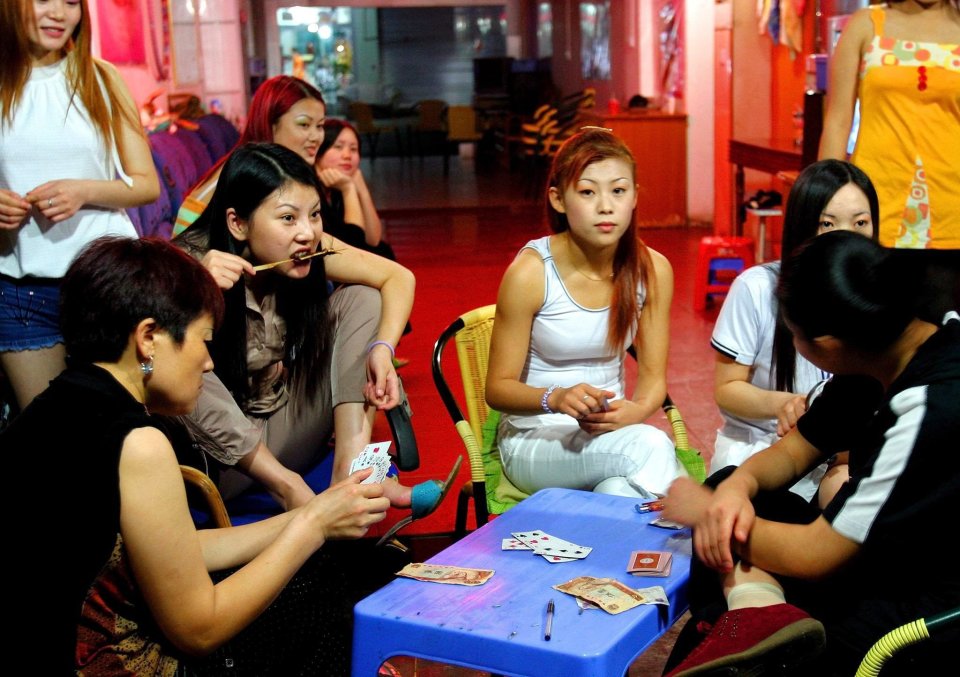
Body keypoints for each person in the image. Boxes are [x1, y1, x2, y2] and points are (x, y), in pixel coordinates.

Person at [1, 236, 390, 674]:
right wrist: (313, 526)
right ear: (149, 338)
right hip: (104, 664)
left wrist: (316, 513)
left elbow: (176, 550)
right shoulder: (138, 443)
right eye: (204, 340)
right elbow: (198, 630)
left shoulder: (53, 407)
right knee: (316, 590)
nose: (208, 363)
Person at [662, 231, 960, 675]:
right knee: (733, 488)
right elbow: (794, 452)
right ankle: (754, 612)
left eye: (794, 334)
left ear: (828, 343)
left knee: (718, 598)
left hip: (925, 612)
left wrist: (706, 512)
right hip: (881, 553)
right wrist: (734, 489)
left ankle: (751, 615)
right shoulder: (883, 345)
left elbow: (817, 555)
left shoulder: (930, 406)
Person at [175, 143, 446, 518]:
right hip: (221, 462)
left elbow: (397, 277)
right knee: (179, 354)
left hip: (283, 424)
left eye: (315, 214)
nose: (307, 233)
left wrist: (382, 349)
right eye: (288, 218)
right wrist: (196, 292)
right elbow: (144, 360)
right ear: (237, 222)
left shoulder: (309, 248)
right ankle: (290, 490)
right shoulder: (183, 266)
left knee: (364, 297)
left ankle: (350, 474)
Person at [485, 127, 681, 499]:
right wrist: (555, 397)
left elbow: (654, 382)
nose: (605, 206)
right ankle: (699, 546)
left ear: (635, 197)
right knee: (652, 446)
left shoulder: (652, 270)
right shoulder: (531, 273)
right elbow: (497, 389)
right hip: (534, 441)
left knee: (619, 492)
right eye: (588, 192)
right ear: (559, 200)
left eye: (618, 191)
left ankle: (627, 554)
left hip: (611, 437)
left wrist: (633, 413)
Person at [0, 0, 160, 411]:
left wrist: (83, 191)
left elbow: (146, 184)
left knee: (120, 424)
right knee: (49, 437)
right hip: (21, 291)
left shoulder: (101, 78)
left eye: (71, 2)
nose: (59, 14)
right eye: (44, 1)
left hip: (106, 283)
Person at [710, 159, 878, 502]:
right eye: (827, 224)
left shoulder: (880, 296)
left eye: (860, 222)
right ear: (801, 226)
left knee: (846, 489)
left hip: (840, 457)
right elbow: (727, 388)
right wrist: (787, 404)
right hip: (761, 448)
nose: (846, 237)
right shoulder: (756, 288)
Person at [819, 0, 960, 251]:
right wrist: (823, 200)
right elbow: (838, 121)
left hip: (953, 203)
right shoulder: (865, 25)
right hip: (875, 199)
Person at [173, 75, 327, 236]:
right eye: (304, 124)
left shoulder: (284, 174)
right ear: (271, 124)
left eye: (320, 126)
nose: (316, 136)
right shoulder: (240, 177)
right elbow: (183, 249)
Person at [315, 118, 397, 261]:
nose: (347, 156)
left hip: (342, 258)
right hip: (325, 264)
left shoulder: (337, 186)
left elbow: (373, 240)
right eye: (338, 147)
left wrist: (362, 190)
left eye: (353, 149)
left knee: (382, 250)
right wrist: (348, 189)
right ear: (318, 152)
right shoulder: (310, 190)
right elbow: (352, 246)